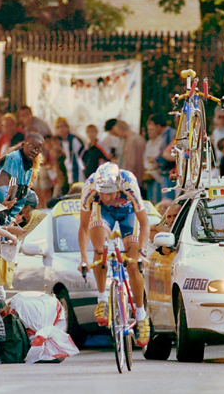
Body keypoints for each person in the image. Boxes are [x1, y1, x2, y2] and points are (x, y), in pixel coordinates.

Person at [78, 162, 150, 347]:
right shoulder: (89, 188)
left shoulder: (129, 185)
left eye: (111, 192)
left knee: (133, 264)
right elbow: (84, 227)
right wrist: (84, 259)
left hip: (128, 213)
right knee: (100, 249)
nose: (107, 197)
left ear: (118, 187)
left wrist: (141, 252)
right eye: (103, 193)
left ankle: (141, 316)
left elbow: (144, 223)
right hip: (104, 213)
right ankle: (102, 299)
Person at [0, 133, 43, 224]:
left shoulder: (29, 166)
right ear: (23, 145)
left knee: (32, 198)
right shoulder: (14, 158)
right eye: (31, 146)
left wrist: (11, 219)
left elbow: (22, 196)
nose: (34, 151)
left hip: (11, 207)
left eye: (37, 149)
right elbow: (1, 192)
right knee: (4, 191)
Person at [114, 120, 146, 186]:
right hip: (142, 174)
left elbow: (130, 162)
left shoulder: (130, 142)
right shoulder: (140, 138)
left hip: (132, 178)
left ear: (121, 130)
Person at [55, 117, 85, 185]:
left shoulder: (74, 140)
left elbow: (78, 159)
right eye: (58, 127)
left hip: (77, 172)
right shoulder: (60, 142)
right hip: (68, 172)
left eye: (63, 126)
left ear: (67, 128)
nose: (61, 129)